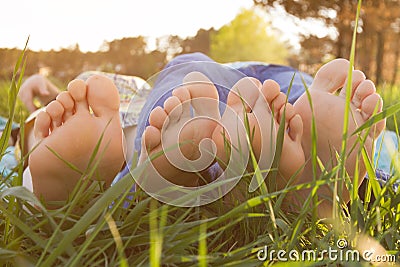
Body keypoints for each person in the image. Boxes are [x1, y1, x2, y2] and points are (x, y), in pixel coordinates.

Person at [17, 53, 386, 218]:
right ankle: (314, 175)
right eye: (42, 127)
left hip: (252, 87)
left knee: (305, 98)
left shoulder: (89, 95)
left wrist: (39, 88)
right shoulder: (96, 105)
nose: (55, 112)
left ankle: (160, 175)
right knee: (190, 76)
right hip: (229, 92)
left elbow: (58, 103)